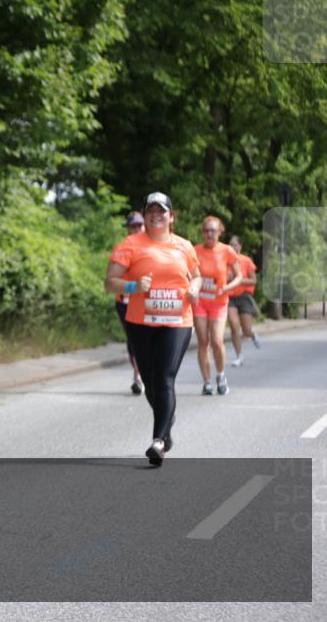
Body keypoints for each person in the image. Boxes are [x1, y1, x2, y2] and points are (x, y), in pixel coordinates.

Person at [105, 192, 202, 467]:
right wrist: (134, 287)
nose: (156, 215)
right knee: (149, 381)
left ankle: (158, 442)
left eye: (162, 211)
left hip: (177, 322)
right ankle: (166, 423)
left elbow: (196, 275)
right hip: (140, 322)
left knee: (165, 378)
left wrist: (194, 288)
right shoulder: (130, 245)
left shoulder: (184, 246)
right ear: (144, 215)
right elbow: (110, 283)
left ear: (171, 216)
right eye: (151, 211)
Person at [193, 217, 243, 395]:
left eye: (213, 230)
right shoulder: (195, 251)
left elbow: (239, 276)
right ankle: (206, 382)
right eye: (206, 230)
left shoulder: (227, 251)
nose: (209, 234)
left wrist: (227, 287)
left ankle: (221, 376)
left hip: (219, 302)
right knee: (203, 342)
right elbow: (187, 273)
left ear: (220, 232)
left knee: (216, 341)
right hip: (200, 302)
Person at [114, 211, 146, 394]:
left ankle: (145, 373)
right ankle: (137, 376)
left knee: (146, 339)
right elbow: (113, 278)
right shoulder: (122, 248)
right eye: (133, 226)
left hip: (145, 301)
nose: (136, 229)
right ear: (128, 228)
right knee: (133, 339)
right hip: (125, 301)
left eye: (139, 225)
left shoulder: (151, 247)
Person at [226, 235, 261, 366]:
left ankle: (252, 335)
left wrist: (239, 280)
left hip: (244, 297)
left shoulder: (246, 260)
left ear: (240, 246)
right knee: (234, 327)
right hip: (230, 297)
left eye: (235, 244)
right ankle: (238, 356)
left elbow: (253, 280)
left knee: (246, 330)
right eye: (230, 245)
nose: (232, 247)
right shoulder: (225, 262)